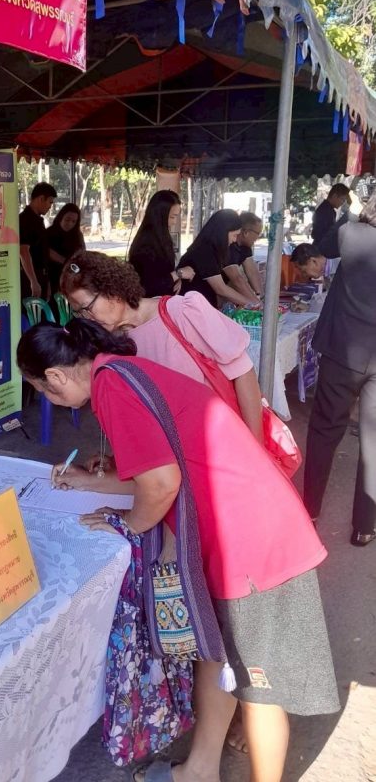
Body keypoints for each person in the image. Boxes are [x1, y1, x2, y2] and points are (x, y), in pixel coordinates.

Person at [17, 319, 338, 782]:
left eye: (42, 392)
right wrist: (92, 482)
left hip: (252, 541)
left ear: (55, 376)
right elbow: (158, 471)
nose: (49, 400)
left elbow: (162, 484)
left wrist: (128, 524)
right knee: (220, 659)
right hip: (242, 526)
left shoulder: (112, 387)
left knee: (259, 690)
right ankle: (200, 770)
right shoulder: (119, 370)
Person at [60, 251, 263, 441]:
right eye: (80, 313)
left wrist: (255, 446)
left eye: (87, 308)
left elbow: (242, 372)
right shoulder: (111, 345)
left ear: (111, 289)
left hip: (218, 441)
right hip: (172, 455)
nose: (87, 318)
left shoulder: (180, 312)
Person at [304, 191, 376, 546]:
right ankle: (364, 526)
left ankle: (309, 512)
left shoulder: (351, 233)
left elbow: (323, 245)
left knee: (324, 430)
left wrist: (355, 215)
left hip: (343, 348)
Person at [176, 209, 254, 309]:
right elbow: (221, 289)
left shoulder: (211, 249)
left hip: (199, 307)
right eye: (234, 235)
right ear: (223, 232)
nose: (234, 240)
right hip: (190, 308)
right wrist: (251, 304)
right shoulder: (205, 250)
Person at [128, 190, 194, 297]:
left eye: (176, 217)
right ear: (159, 215)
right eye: (172, 217)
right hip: (149, 302)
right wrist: (178, 274)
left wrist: (177, 279)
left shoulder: (161, 237)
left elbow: (165, 271)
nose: (174, 222)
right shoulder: (145, 244)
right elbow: (149, 285)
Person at [19, 182, 56, 299]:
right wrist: (33, 281)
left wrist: (46, 281)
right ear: (41, 199)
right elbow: (23, 252)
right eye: (50, 202)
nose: (50, 206)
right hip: (30, 277)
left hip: (42, 276)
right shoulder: (25, 220)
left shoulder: (38, 220)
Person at [224, 212, 264, 303]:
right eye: (258, 233)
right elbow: (237, 280)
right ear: (246, 233)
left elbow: (252, 272)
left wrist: (261, 297)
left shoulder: (245, 247)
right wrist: (257, 303)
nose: (258, 238)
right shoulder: (229, 246)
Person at [46, 202, 85, 295]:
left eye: (73, 221)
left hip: (71, 278)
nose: (69, 224)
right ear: (61, 217)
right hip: (52, 277)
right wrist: (66, 262)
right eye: (67, 219)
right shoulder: (49, 233)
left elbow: (82, 253)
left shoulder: (77, 236)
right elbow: (48, 252)